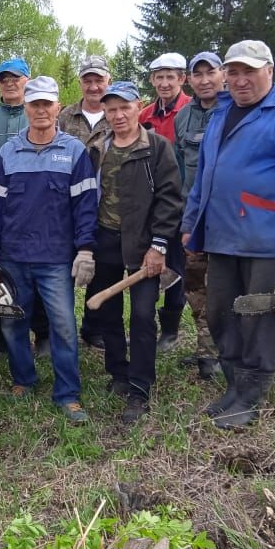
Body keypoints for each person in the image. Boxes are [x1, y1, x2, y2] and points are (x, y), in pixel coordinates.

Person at [181, 40, 275, 428]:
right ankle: (233, 385)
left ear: (269, 71)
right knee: (221, 311)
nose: (241, 80)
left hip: (266, 239)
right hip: (221, 236)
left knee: (258, 315)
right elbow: (204, 178)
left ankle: (251, 395)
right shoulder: (221, 114)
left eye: (250, 71)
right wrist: (191, 224)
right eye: (235, 72)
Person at [0, 76, 98, 424]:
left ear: (58, 107)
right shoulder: (9, 151)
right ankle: (23, 380)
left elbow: (85, 205)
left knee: (63, 325)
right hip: (14, 256)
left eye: (48, 104)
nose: (42, 110)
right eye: (35, 104)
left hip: (55, 259)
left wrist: (86, 250)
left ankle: (67, 393)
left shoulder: (74, 152)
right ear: (27, 108)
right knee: (12, 323)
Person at [88, 82, 183, 423]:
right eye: (110, 109)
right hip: (105, 240)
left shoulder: (157, 148)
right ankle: (119, 373)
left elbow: (171, 200)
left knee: (142, 315)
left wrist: (159, 245)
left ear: (137, 107)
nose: (117, 115)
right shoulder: (98, 148)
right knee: (108, 313)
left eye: (124, 107)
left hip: (144, 245)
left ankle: (140, 387)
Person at [0, 56, 50, 362]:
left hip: (37, 213)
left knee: (38, 274)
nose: (9, 83)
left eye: (15, 78)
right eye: (4, 78)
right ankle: (1, 340)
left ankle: (43, 334)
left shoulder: (38, 113)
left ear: (27, 81)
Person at [172, 52, 226, 380]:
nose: (205, 80)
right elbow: (181, 169)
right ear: (189, 79)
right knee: (194, 284)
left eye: (211, 72)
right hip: (193, 216)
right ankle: (206, 351)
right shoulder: (184, 117)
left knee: (224, 287)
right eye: (198, 74)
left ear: (223, 75)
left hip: (227, 217)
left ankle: (228, 352)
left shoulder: (236, 109)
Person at [139, 52, 192, 353]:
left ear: (182, 79)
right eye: (159, 77)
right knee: (153, 260)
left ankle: (171, 330)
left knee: (177, 264)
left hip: (180, 202)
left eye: (170, 76)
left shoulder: (189, 111)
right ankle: (149, 323)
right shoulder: (145, 116)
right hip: (150, 204)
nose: (164, 82)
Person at [57, 55, 111, 350]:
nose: (93, 86)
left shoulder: (117, 113)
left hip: (107, 203)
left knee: (101, 266)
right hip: (68, 205)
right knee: (65, 264)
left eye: (98, 80)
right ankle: (62, 324)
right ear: (81, 83)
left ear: (108, 82)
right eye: (88, 80)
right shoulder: (65, 116)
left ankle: (94, 326)